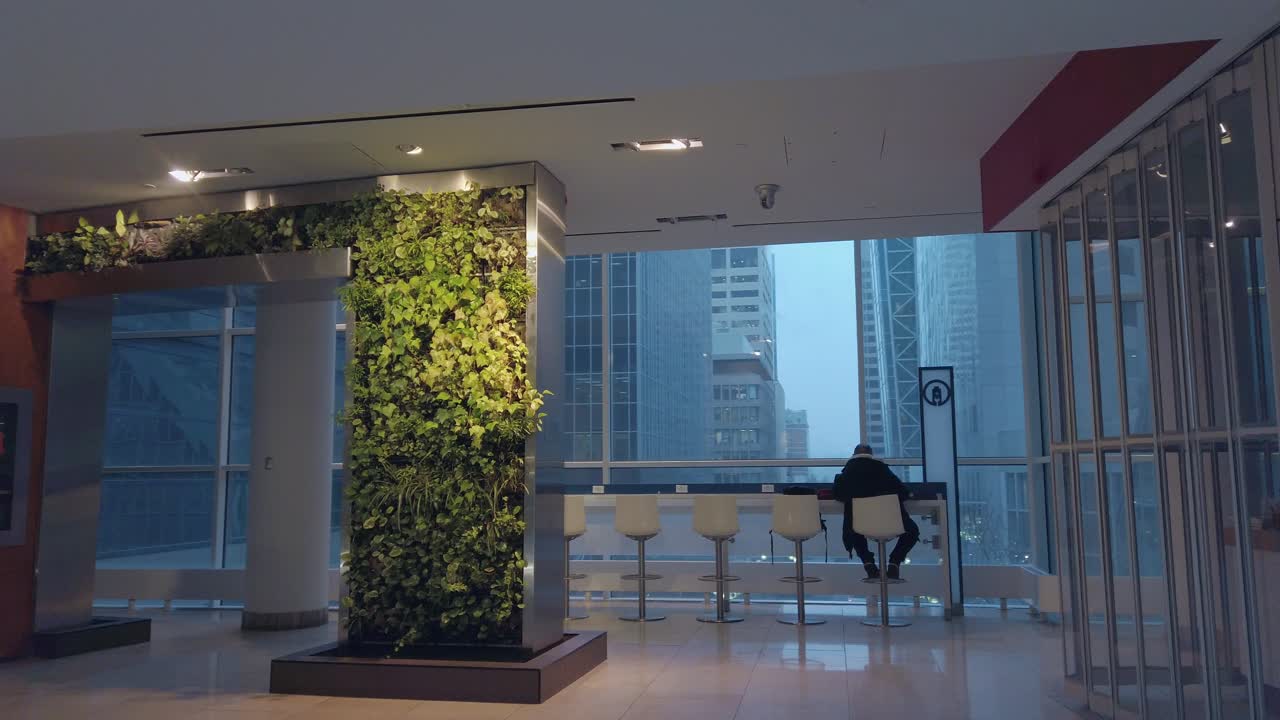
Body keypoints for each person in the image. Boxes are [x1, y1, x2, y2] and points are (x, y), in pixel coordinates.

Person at [833, 443, 920, 580]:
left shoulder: (845, 474)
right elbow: (903, 492)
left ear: (853, 456)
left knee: (854, 528)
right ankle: (894, 562)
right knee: (912, 531)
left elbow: (838, 495)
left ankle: (868, 564)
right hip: (890, 523)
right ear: (871, 455)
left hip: (861, 526)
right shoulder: (883, 470)